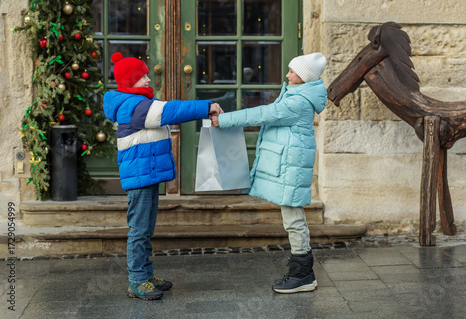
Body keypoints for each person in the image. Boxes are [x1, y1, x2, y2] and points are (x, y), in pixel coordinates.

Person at [103, 52, 223, 300]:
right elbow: (172, 110)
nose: (148, 79)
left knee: (145, 228)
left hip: (145, 174)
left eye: (147, 74)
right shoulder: (135, 106)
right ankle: (137, 279)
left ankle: (145, 275)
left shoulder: (137, 102)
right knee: (139, 229)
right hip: (140, 176)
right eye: (143, 76)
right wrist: (206, 106)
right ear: (130, 80)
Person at [211, 52, 327, 294]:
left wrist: (224, 120)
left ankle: (303, 274)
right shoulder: (296, 95)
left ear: (304, 78)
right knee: (293, 219)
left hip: (291, 167)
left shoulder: (297, 102)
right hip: (289, 165)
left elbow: (263, 114)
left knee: (293, 220)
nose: (287, 75)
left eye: (292, 72)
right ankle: (302, 271)